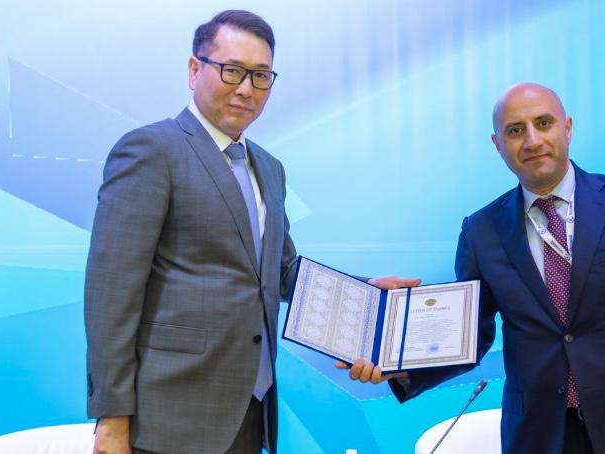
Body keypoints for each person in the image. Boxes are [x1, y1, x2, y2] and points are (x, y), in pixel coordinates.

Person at [84, 10, 417, 454]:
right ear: (194, 69)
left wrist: (368, 297)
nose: (246, 88)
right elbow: (111, 292)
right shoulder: (151, 150)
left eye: (260, 76)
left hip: (251, 412)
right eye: (232, 70)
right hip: (168, 418)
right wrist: (111, 418)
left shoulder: (269, 168)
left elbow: (281, 272)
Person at [338, 83, 605, 453]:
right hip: (536, 437)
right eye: (515, 131)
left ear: (567, 128)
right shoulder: (481, 231)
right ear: (497, 144)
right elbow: (469, 336)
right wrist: (397, 362)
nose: (532, 140)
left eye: (543, 123)